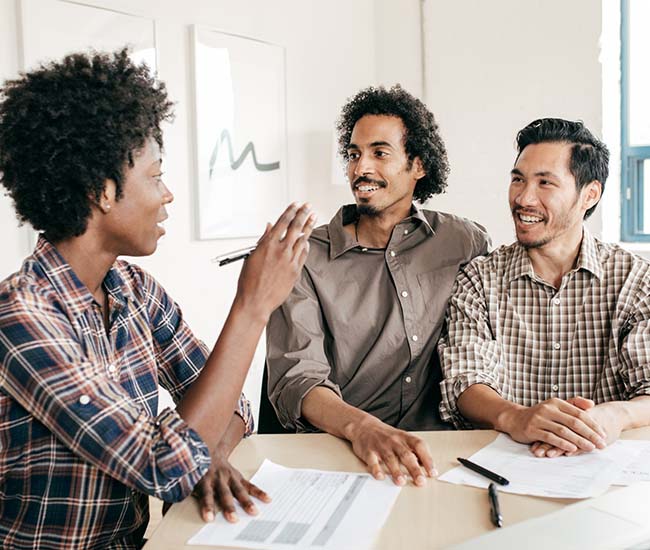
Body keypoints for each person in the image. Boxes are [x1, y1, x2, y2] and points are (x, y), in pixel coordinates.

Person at [0, 49, 314, 549]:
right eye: (155, 175)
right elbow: (165, 467)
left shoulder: (136, 292)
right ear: (102, 192)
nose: (167, 194)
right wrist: (253, 305)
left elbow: (233, 407)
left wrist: (205, 456)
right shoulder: (22, 319)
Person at [266, 85, 489, 486]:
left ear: (418, 166)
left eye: (379, 153)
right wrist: (362, 428)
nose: (360, 168)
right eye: (353, 154)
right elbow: (298, 378)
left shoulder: (465, 242)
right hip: (342, 452)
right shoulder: (305, 256)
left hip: (439, 456)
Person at [439, 118, 650, 458]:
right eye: (518, 180)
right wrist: (516, 417)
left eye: (545, 183)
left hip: (604, 469)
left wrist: (615, 415)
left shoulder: (636, 281)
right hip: (501, 466)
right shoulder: (479, 279)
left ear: (589, 194)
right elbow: (465, 381)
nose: (524, 198)